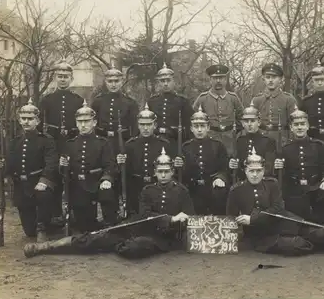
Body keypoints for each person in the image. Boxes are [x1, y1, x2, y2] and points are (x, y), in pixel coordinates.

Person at [23, 149, 195, 259]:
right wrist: (171, 218)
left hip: (160, 238)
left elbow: (190, 218)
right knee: (92, 238)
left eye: (167, 171)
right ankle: (44, 247)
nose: (163, 175)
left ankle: (116, 245)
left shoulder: (182, 191)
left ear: (172, 171)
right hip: (137, 226)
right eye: (160, 172)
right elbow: (145, 215)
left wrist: (179, 221)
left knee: (135, 248)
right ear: (155, 172)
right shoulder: (147, 190)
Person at [227, 148, 324, 258]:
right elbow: (230, 218)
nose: (255, 174)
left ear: (263, 170)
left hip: (283, 221)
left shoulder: (272, 183)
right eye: (251, 171)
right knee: (298, 245)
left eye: (259, 171)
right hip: (263, 238)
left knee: (321, 231)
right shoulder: (236, 190)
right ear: (245, 170)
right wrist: (241, 226)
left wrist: (252, 218)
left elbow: (277, 208)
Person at [0, 98, 58, 242]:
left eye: (30, 119)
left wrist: (44, 181)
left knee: (43, 195)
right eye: (23, 119)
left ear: (37, 121)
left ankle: (43, 226)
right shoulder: (15, 142)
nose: (26, 122)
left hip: (39, 183)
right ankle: (49, 224)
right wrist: (1, 165)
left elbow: (51, 163)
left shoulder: (46, 140)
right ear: (19, 120)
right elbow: (10, 166)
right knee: (29, 232)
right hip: (22, 186)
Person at [59, 100, 118, 233]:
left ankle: (109, 225)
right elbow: (64, 171)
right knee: (85, 228)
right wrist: (62, 166)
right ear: (76, 123)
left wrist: (106, 179)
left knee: (107, 193)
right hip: (78, 186)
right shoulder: (70, 144)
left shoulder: (103, 143)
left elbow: (110, 165)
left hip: (97, 183)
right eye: (80, 122)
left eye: (87, 121)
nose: (83, 125)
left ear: (94, 123)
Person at [274, 107, 324, 227]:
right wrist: (277, 167)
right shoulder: (284, 149)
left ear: (308, 126)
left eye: (302, 124)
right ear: (291, 127)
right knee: (297, 222)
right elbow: (281, 176)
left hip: (315, 187)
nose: (299, 127)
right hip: (294, 190)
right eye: (296, 125)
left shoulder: (319, 146)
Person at [38, 59, 84, 226]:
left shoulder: (78, 100)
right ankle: (56, 213)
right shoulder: (47, 100)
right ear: (55, 78)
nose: (63, 79)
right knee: (55, 176)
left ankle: (72, 211)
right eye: (60, 76)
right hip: (54, 142)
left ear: (71, 78)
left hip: (72, 142)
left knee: (72, 175)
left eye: (66, 76)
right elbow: (40, 123)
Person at [116, 103, 181, 215]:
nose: (145, 128)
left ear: (155, 125)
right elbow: (125, 171)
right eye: (142, 124)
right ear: (138, 125)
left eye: (149, 124)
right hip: (136, 187)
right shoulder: (130, 145)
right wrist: (120, 162)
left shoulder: (164, 144)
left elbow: (172, 168)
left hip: (157, 186)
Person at [181, 106, 229, 215]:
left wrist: (220, 178)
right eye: (196, 126)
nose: (199, 130)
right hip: (192, 190)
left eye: (202, 126)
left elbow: (224, 168)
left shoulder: (218, 146)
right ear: (191, 128)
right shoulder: (185, 147)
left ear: (208, 128)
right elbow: (182, 174)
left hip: (211, 188)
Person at [193, 64, 244, 156]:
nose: (218, 81)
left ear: (225, 79)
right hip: (210, 138)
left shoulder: (233, 98)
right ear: (210, 80)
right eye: (215, 78)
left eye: (221, 78)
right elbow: (193, 119)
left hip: (229, 139)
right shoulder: (202, 98)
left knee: (230, 163)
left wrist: (235, 131)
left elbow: (242, 118)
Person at [91, 66, 140, 153]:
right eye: (110, 81)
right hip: (102, 143)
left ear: (122, 82)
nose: (113, 85)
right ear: (106, 82)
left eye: (116, 81)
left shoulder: (130, 103)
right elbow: (93, 124)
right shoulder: (98, 102)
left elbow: (135, 128)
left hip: (122, 143)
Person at [147, 63, 194, 148]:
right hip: (155, 143)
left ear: (173, 82)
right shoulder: (152, 101)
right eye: (162, 81)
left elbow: (189, 126)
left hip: (176, 142)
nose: (165, 84)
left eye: (168, 80)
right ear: (158, 83)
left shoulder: (183, 101)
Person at [251, 63, 297, 146]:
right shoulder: (257, 100)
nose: (270, 80)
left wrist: (291, 142)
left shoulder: (288, 99)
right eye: (267, 77)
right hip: (262, 140)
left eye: (274, 77)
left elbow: (294, 122)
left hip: (282, 140)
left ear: (280, 79)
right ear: (263, 79)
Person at [229, 102, 277, 181]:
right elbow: (236, 165)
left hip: (263, 181)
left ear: (259, 122)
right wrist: (232, 165)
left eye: (252, 121)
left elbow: (268, 167)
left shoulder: (268, 140)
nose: (249, 124)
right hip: (243, 180)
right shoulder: (239, 139)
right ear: (242, 123)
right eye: (246, 121)